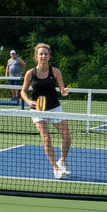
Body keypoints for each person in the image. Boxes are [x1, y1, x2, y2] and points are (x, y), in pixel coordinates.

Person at [20, 42, 71, 179]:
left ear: (49, 57)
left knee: (67, 137)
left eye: (46, 54)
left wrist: (64, 91)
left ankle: (62, 161)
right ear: (36, 57)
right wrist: (29, 101)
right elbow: (23, 92)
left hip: (54, 107)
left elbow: (62, 88)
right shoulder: (30, 73)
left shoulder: (55, 71)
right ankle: (55, 167)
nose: (43, 56)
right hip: (37, 110)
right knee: (46, 138)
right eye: (41, 54)